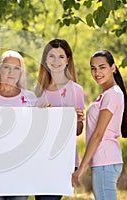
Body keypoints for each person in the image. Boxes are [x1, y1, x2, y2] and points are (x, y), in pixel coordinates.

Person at [72, 50, 127, 200]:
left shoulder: (112, 94)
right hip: (104, 161)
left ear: (113, 68)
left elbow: (98, 135)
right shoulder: (106, 94)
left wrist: (81, 169)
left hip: (105, 161)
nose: (97, 72)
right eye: (93, 68)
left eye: (102, 67)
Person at [0, 50, 36, 200]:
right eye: (7, 67)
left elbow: (36, 132)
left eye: (16, 68)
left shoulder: (30, 98)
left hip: (21, 171)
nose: (11, 72)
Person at [34, 39, 85, 200]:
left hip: (64, 158)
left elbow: (78, 132)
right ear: (45, 60)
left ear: (68, 60)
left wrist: (77, 120)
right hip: (39, 158)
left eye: (61, 57)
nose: (56, 61)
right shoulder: (37, 92)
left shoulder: (76, 90)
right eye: (52, 56)